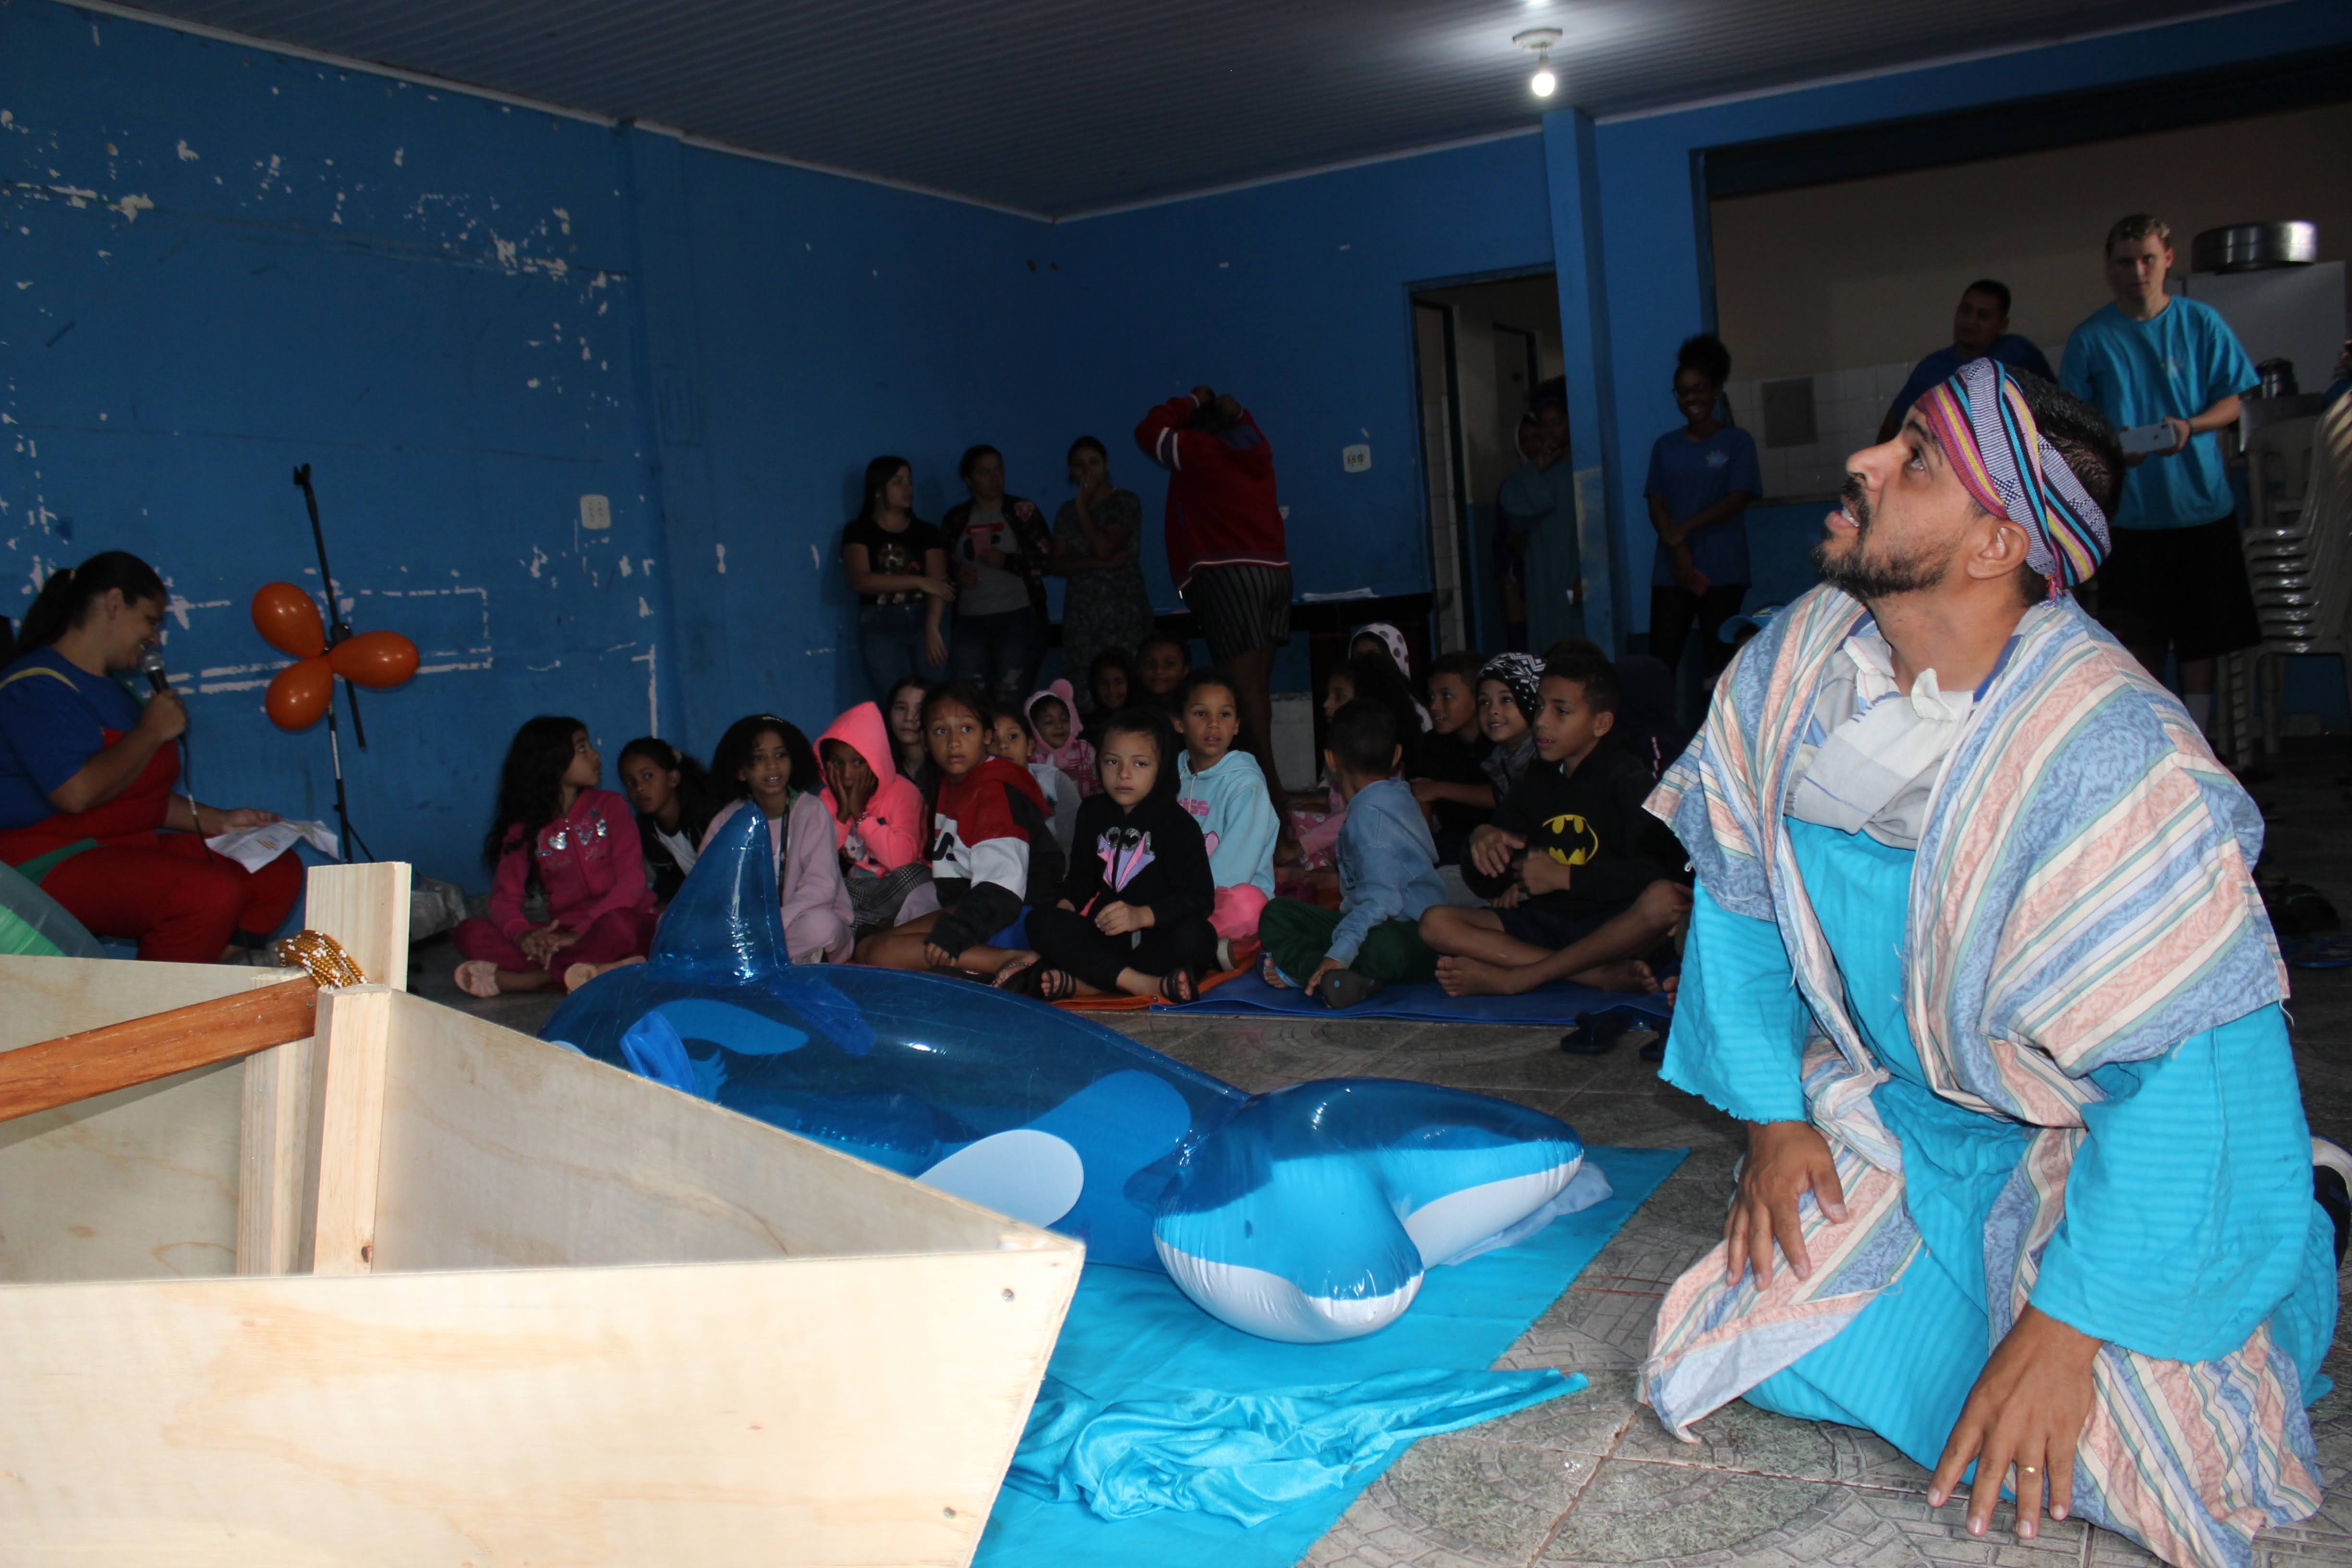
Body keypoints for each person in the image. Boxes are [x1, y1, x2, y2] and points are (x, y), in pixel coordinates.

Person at [1643, 358, 2338, 1568]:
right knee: (1754, 1348)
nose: (1862, 464)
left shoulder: (2116, 760)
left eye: (1913, 460)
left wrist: (2065, 1328)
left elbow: (2189, 1079)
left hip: (2100, 1140)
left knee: (2137, 1462)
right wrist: (1771, 1122)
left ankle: (2312, 1220)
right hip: (1911, 1114)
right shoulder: (1791, 662)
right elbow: (1739, 900)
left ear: (1995, 544)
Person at [0, 551, 297, 962]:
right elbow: (76, 792)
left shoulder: (118, 689)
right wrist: (150, 732)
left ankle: (199, 976)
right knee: (205, 894)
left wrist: (219, 821)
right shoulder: (34, 687)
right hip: (47, 860)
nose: (154, 639)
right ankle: (159, 1000)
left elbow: (137, 794)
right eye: (151, 620)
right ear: (114, 603)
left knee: (274, 870)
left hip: (125, 843)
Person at [2061, 214, 2262, 737]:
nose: (2137, 272)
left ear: (2167, 260)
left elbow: (2232, 403)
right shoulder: (2089, 339)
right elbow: (2074, 428)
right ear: (2110, 267)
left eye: (2147, 259)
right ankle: (2155, 743)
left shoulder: (2202, 324)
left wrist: (2190, 427)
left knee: (2202, 637)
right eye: (2125, 262)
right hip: (2129, 518)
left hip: (2201, 508)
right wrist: (2112, 449)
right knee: (2137, 638)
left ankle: (2197, 741)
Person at [1421, 646, 1688, 997]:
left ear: (1601, 723)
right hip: (1550, 922)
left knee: (1666, 900)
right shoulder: (1537, 778)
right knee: (1435, 923)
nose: (1542, 722)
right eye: (1540, 707)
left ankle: (1520, 978)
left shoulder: (1627, 778)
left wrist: (1567, 877)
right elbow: (1489, 883)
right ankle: (1591, 975)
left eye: (1561, 711)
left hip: (1610, 928)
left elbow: (1661, 870)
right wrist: (1481, 843)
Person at [1135, 386, 1290, 815]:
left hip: (1230, 573)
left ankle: (1270, 803)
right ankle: (1271, 800)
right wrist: (1236, 410)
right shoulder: (1255, 449)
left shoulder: (1202, 450)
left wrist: (1188, 400)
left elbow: (1148, 431)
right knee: (1257, 694)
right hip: (1274, 572)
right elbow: (1250, 427)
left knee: (1241, 697)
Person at [998, 706, 1217, 1004]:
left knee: (1199, 938)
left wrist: (1142, 916)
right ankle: (1139, 983)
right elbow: (1081, 881)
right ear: (1098, 762)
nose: (1124, 774)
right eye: (1112, 761)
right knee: (1041, 921)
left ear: (1162, 766)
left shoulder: (1179, 825)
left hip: (1157, 938)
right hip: (1105, 936)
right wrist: (1063, 912)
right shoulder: (1092, 813)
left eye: (1140, 764)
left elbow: (1199, 899)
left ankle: (1090, 984)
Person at [854, 681, 1060, 979]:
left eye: (966, 729)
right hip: (974, 906)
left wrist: (956, 934)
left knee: (878, 954)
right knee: (868, 948)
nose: (954, 742)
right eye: (941, 731)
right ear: (925, 741)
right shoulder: (954, 784)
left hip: (1013, 914)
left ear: (987, 736)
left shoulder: (993, 791)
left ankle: (1014, 960)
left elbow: (1002, 889)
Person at [1257, 700, 1445, 1009]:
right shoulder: (1400, 796)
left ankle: (1316, 970)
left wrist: (1340, 953)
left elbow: (1381, 901)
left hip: (1408, 941)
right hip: (1405, 936)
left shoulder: (1369, 820)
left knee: (1376, 945)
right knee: (1279, 913)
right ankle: (1356, 978)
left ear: (1331, 760)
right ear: (1397, 755)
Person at [453, 717, 657, 997]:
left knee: (622, 928)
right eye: (582, 748)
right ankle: (592, 970)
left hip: (619, 921)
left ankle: (534, 980)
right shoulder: (524, 827)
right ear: (551, 761)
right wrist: (525, 936)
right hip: (565, 933)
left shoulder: (611, 806)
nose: (595, 755)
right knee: (469, 933)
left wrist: (580, 933)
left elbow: (632, 884)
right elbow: (503, 901)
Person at [1646, 334, 1761, 704]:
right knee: (1661, 661)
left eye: (1698, 389)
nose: (1690, 398)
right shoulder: (1665, 446)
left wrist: (1683, 531)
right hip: (1672, 570)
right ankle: (1659, 733)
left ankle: (1721, 734)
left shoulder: (1737, 442)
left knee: (1720, 664)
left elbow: (1737, 499)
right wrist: (1676, 545)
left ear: (1714, 392)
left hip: (1722, 568)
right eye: (1682, 391)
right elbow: (1656, 502)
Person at [702, 716, 852, 965]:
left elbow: (820, 887)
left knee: (822, 926)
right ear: (740, 771)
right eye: (759, 758)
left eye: (781, 755)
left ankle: (749, 962)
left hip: (795, 925)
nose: (772, 766)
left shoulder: (811, 811)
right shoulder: (727, 819)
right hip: (745, 932)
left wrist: (771, 926)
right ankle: (757, 960)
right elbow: (708, 886)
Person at [1175, 669, 1280, 958]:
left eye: (1224, 715)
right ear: (1179, 722)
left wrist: (1178, 905)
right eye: (1201, 714)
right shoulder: (1169, 775)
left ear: (1236, 726)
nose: (1214, 724)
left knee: (1250, 908)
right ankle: (1203, 946)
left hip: (1222, 897)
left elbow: (1236, 867)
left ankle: (1179, 941)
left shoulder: (1246, 785)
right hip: (1172, 897)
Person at [1877, 279, 2057, 444]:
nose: (1971, 321)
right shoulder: (1931, 368)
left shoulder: (2018, 353)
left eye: (1984, 316)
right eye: (1966, 311)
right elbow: (1893, 424)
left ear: (2003, 325)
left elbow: (2057, 408)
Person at [941, 445, 1052, 712]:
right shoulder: (956, 518)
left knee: (1010, 699)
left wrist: (1007, 561)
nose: (995, 478)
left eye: (999, 470)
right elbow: (938, 565)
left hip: (1018, 617)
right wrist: (956, 574)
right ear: (969, 480)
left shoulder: (1023, 511)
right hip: (970, 622)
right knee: (970, 699)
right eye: (985, 472)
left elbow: (1047, 561)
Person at [1049, 438, 1155, 711]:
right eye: (1079, 465)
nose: (1087, 471)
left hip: (1123, 610)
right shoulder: (1065, 512)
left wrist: (1083, 508)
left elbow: (1105, 546)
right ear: (1071, 471)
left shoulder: (1125, 501)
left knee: (1127, 682)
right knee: (1086, 688)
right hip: (1082, 614)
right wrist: (1099, 563)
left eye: (1094, 463)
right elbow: (1057, 564)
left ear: (1106, 465)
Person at [817, 701, 933, 935]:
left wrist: (861, 815)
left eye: (859, 763)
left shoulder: (903, 793)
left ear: (877, 760)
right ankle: (873, 925)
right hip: (858, 887)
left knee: (917, 878)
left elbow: (902, 861)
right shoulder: (828, 797)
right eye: (838, 763)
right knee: (823, 892)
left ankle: (863, 925)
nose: (847, 775)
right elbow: (818, 859)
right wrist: (842, 813)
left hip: (900, 886)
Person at [842, 456, 953, 699]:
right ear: (878, 490)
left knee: (933, 699)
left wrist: (933, 628)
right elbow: (862, 581)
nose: (907, 488)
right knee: (896, 700)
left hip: (925, 617)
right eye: (897, 482)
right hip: (880, 623)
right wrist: (919, 581)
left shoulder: (926, 531)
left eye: (909, 482)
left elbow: (940, 585)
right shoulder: (859, 530)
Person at [1497, 380, 1585, 652]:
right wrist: (1538, 468)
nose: (1551, 431)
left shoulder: (1582, 468)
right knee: (1547, 647)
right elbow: (1514, 511)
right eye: (1545, 425)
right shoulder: (1537, 473)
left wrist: (1588, 575)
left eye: (1558, 423)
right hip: (1543, 579)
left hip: (1574, 574)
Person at [1409, 650, 1496, 862]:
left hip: (1499, 838)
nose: (1435, 706)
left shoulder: (1500, 740)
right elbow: (1422, 796)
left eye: (1446, 696)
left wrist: (1440, 789)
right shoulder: (1431, 745)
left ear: (1478, 699)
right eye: (1432, 696)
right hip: (1452, 840)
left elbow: (1506, 796)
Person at [616, 737, 716, 905]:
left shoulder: (707, 817)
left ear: (673, 778)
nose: (639, 788)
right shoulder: (647, 830)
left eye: (648, 776)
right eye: (630, 782)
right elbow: (669, 884)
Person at [988, 707, 1078, 857]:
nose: (1003, 745)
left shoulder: (1055, 782)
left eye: (1013, 737)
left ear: (1029, 746)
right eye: (993, 740)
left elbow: (1073, 844)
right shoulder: (977, 791)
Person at [1476, 652, 1543, 804]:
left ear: (1531, 702)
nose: (1493, 710)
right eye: (1484, 702)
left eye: (1506, 700)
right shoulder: (1498, 759)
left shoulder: (1548, 758)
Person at [1024, 680, 1098, 797]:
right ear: (1034, 728)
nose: (1059, 726)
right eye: (1049, 722)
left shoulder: (1084, 750)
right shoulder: (1032, 760)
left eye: (1064, 720)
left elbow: (1098, 785)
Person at [882, 674, 934, 791]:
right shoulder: (881, 769)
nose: (909, 718)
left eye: (920, 710)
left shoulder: (948, 770)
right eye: (901, 708)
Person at [1082, 649, 1137, 753]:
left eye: (1119, 682)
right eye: (1103, 683)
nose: (1111, 690)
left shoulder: (1144, 720)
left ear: (1130, 683)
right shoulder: (1084, 728)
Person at [1135, 631, 1191, 718]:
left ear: (1185, 670)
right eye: (1149, 663)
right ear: (1139, 668)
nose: (1159, 671)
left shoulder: (1195, 709)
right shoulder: (1128, 711)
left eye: (1169, 664)